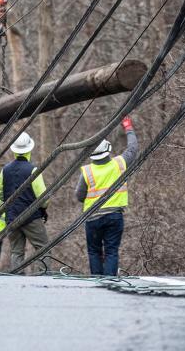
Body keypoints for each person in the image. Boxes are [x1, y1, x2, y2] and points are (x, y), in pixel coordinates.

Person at [75, 116, 139, 276]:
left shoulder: (87, 171)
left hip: (93, 219)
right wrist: (128, 128)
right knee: (111, 252)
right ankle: (109, 284)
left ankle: (97, 283)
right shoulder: (119, 163)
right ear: (108, 150)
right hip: (114, 217)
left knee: (94, 252)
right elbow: (133, 148)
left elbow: (79, 195)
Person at [0, 131, 49, 272]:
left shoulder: (5, 171)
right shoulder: (33, 171)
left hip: (11, 217)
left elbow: (0, 193)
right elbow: (43, 197)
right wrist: (43, 209)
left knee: (16, 251)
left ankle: (16, 280)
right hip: (31, 217)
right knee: (43, 248)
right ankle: (43, 278)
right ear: (29, 150)